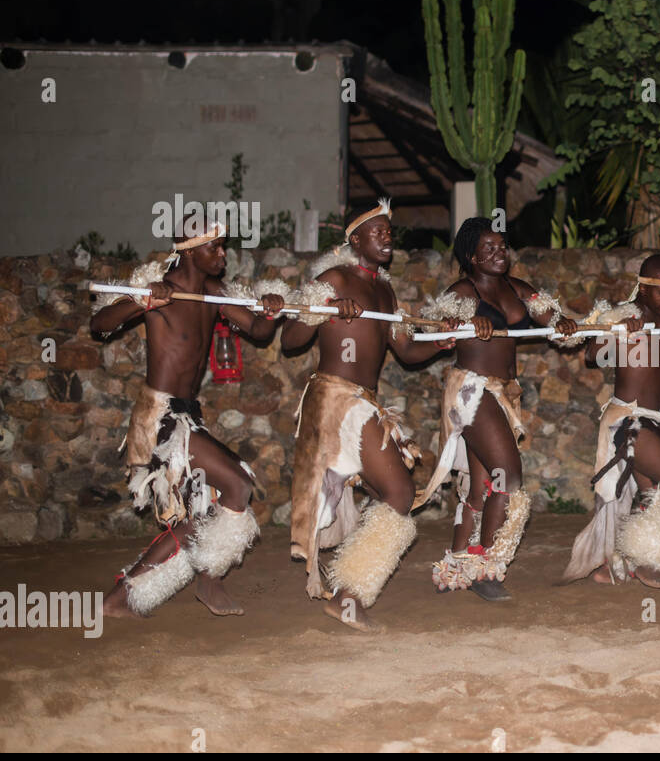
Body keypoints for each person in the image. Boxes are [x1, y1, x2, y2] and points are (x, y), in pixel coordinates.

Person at [90, 220, 286, 618]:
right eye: (214, 248)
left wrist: (272, 310)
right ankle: (209, 577)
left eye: (223, 247)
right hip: (158, 417)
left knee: (208, 514)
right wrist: (142, 302)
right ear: (190, 251)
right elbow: (100, 325)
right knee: (237, 484)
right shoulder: (159, 287)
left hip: (187, 416)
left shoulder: (212, 293)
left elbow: (258, 330)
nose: (222, 255)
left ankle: (119, 599)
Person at [281, 199, 452, 632]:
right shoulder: (335, 278)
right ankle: (348, 595)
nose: (387, 236)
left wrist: (442, 342)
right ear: (354, 239)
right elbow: (290, 337)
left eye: (390, 230)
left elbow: (408, 351)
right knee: (399, 490)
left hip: (366, 402)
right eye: (377, 231)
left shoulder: (385, 291)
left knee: (395, 494)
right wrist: (324, 307)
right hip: (336, 399)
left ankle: (349, 592)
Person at [414, 217, 577, 601]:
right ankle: (485, 564)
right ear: (471, 256)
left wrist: (563, 323)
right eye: (488, 248)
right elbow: (434, 331)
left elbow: (549, 315)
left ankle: (455, 566)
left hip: (503, 395)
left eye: (502, 246)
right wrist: (461, 324)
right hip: (471, 391)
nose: (498, 253)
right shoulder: (461, 292)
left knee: (481, 486)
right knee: (508, 476)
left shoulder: (517, 289)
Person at [561, 254, 660, 587]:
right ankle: (645, 560)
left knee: (653, 496)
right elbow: (591, 354)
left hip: (655, 420)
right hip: (626, 419)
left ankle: (617, 563)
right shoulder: (625, 314)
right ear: (642, 288)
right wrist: (618, 331)